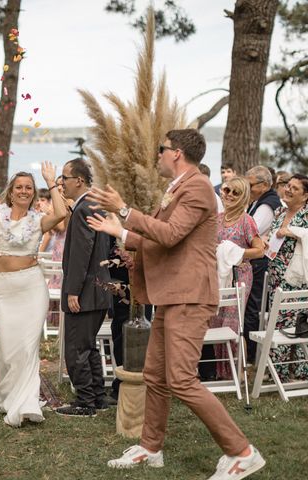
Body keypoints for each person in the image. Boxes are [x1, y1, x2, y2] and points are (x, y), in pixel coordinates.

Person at [88, 129, 265, 479]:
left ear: (177, 153)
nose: (157, 155)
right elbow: (162, 235)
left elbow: (169, 235)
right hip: (172, 296)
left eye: (161, 149)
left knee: (182, 379)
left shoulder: (197, 187)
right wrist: (119, 232)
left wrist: (124, 209)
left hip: (190, 296)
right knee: (155, 375)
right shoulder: (179, 187)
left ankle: (241, 452)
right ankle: (151, 448)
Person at [0, 163, 66, 426]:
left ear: (33, 193)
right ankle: (6, 392)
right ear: (11, 193)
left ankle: (26, 403)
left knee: (27, 347)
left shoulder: (38, 220)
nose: (24, 191)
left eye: (29, 188)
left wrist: (52, 182)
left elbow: (60, 214)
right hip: (5, 288)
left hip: (32, 287)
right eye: (19, 188)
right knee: (8, 347)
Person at [54, 158, 113, 416]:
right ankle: (98, 397)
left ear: (78, 180)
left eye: (64, 178)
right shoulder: (96, 205)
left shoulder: (82, 209)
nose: (61, 183)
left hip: (85, 290)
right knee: (88, 346)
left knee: (76, 347)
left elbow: (81, 253)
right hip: (100, 287)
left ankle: (85, 402)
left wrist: (73, 291)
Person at [210, 177, 264, 379]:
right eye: (226, 190)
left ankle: (237, 371)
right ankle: (220, 371)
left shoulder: (246, 220)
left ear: (243, 197)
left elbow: (259, 251)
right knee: (215, 321)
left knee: (232, 324)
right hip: (217, 275)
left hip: (239, 275)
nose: (229, 195)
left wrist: (233, 252)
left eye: (236, 192)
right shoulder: (217, 218)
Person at [265, 174, 308, 382]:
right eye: (288, 186)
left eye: (295, 188)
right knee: (277, 323)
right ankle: (278, 371)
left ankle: (299, 371)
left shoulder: (307, 215)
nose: (288, 190)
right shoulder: (280, 211)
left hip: (297, 278)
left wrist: (291, 231)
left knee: (297, 324)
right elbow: (274, 235)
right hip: (275, 275)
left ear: (306, 195)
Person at [243, 166, 281, 363]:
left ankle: (251, 354)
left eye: (250, 185)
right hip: (256, 261)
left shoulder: (267, 205)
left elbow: (251, 232)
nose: (247, 188)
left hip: (259, 263)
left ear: (265, 185)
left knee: (252, 307)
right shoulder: (259, 200)